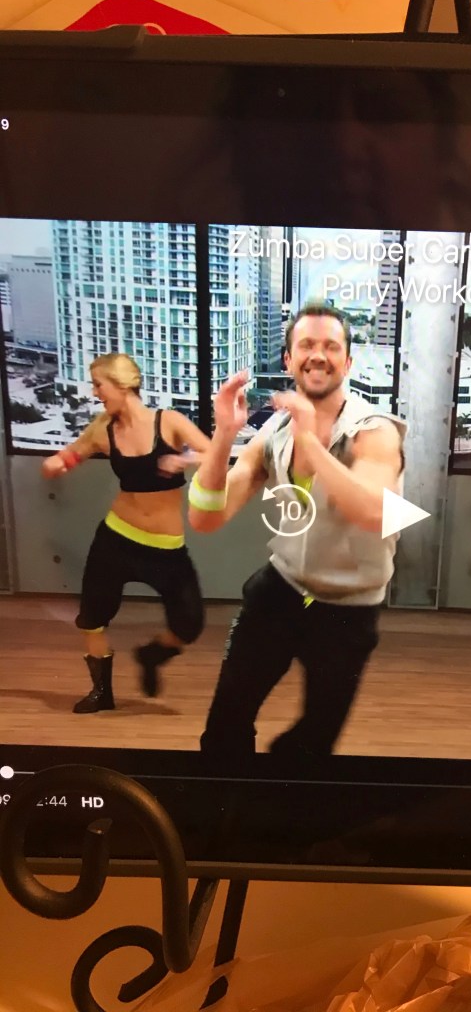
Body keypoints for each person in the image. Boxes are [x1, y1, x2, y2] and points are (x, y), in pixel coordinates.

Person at [190, 303, 407, 762]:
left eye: (331, 346)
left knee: (310, 748)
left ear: (348, 361)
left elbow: (375, 513)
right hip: (281, 591)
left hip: (348, 611)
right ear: (289, 359)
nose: (318, 355)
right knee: (224, 728)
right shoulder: (276, 432)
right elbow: (206, 517)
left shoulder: (375, 431)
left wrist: (312, 442)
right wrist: (224, 436)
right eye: (307, 345)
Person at [41, 353, 210, 713]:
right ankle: (102, 692)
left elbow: (213, 453)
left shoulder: (169, 422)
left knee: (190, 624)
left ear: (122, 384)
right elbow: (70, 455)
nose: (94, 392)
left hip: (166, 548)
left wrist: (183, 459)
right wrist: (56, 464)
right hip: (116, 540)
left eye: (98, 385)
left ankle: (151, 656)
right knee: (92, 617)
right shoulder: (102, 430)